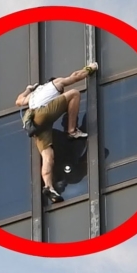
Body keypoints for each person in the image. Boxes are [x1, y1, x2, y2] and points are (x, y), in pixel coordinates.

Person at [14, 62, 98, 203]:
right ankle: (72, 131)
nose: (61, 92)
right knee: (74, 94)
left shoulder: (33, 95)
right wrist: (91, 68)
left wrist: (28, 89)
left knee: (48, 156)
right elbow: (76, 76)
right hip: (43, 113)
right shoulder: (55, 84)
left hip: (36, 124)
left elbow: (18, 101)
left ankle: (48, 186)